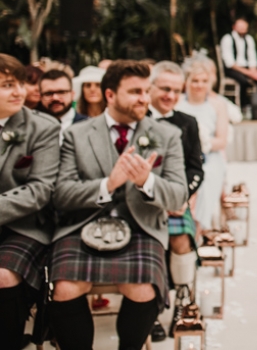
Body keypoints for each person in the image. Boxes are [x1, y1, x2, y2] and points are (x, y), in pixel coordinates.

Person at [48, 60, 188, 350]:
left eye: (146, 91)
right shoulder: (76, 134)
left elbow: (178, 196)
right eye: (135, 91)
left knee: (143, 289)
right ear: (110, 95)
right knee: (63, 288)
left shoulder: (167, 135)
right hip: (82, 225)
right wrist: (107, 185)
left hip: (141, 227)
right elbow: (61, 194)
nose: (144, 98)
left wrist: (146, 182)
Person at [0, 54, 60, 349]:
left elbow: (40, 190)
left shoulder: (43, 128)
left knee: (2, 275)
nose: (19, 92)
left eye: (20, 83)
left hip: (24, 227)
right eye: (7, 85)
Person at [147, 61, 206, 342]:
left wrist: (182, 197)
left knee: (181, 238)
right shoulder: (136, 119)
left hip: (176, 200)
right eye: (164, 88)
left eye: (175, 90)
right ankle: (152, 313)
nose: (170, 95)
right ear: (151, 87)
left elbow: (196, 168)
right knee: (151, 246)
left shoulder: (187, 123)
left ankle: (183, 300)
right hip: (142, 202)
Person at [176, 56, 229, 232]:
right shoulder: (177, 103)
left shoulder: (218, 105)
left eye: (204, 81)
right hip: (180, 156)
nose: (199, 85)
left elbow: (221, 140)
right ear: (187, 81)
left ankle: (199, 227)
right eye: (195, 80)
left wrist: (202, 143)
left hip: (210, 156)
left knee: (207, 178)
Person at [220, 18, 257, 108]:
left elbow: (252, 58)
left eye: (244, 27)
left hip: (248, 68)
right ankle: (243, 105)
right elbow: (230, 63)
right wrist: (249, 73)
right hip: (232, 69)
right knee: (243, 81)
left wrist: (253, 71)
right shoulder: (227, 39)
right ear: (234, 27)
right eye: (240, 27)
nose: (243, 30)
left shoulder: (249, 39)